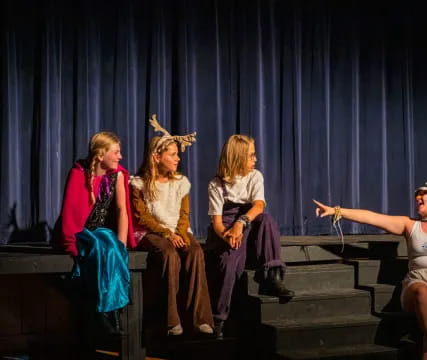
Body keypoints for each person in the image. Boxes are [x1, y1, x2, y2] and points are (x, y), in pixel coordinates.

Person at [313, 178, 427, 360]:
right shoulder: (410, 225)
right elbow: (372, 217)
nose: (418, 197)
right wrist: (337, 211)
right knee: (423, 291)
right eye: (418, 195)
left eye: (424, 194)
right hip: (417, 283)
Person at [130, 114, 213, 336]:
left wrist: (179, 233)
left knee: (195, 251)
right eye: (173, 155)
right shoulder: (138, 184)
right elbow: (142, 217)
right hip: (151, 232)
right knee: (168, 253)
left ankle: (200, 319)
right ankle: (170, 320)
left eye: (177, 155)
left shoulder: (181, 183)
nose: (178, 159)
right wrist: (167, 234)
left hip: (176, 229)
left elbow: (184, 214)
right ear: (157, 157)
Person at [206, 134, 295, 339]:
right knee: (228, 261)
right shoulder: (216, 184)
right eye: (251, 156)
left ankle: (272, 276)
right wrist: (228, 235)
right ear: (237, 158)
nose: (255, 160)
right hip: (226, 227)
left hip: (248, 221)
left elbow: (258, 205)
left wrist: (241, 222)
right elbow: (217, 223)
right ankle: (219, 318)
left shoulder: (255, 176)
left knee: (267, 220)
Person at [54, 131, 136, 335]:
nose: (120, 157)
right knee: (101, 246)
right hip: (81, 232)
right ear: (101, 155)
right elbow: (70, 213)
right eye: (116, 152)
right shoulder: (79, 173)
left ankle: (113, 311)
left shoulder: (117, 175)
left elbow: (121, 210)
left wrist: (122, 244)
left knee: (111, 245)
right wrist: (71, 245)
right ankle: (101, 312)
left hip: (100, 230)